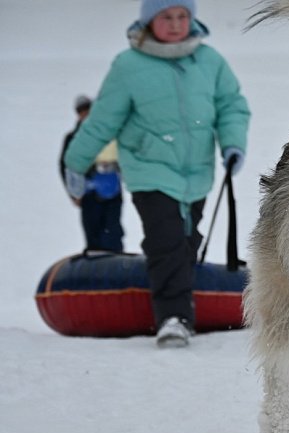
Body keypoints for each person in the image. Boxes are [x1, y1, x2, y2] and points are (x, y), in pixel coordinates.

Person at [63, 0, 250, 348]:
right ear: (149, 22)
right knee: (165, 241)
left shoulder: (209, 61)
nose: (177, 24)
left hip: (197, 173)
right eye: (167, 17)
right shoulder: (129, 65)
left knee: (186, 242)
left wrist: (232, 144)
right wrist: (76, 162)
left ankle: (184, 301)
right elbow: (103, 120)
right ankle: (174, 318)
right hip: (149, 170)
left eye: (183, 16)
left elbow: (231, 106)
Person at [59, 95, 125, 253]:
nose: (85, 115)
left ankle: (115, 260)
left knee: (113, 230)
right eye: (81, 112)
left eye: (88, 110)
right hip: (88, 193)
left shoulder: (109, 133)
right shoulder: (72, 138)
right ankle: (96, 261)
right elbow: (65, 165)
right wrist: (73, 193)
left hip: (112, 189)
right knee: (93, 231)